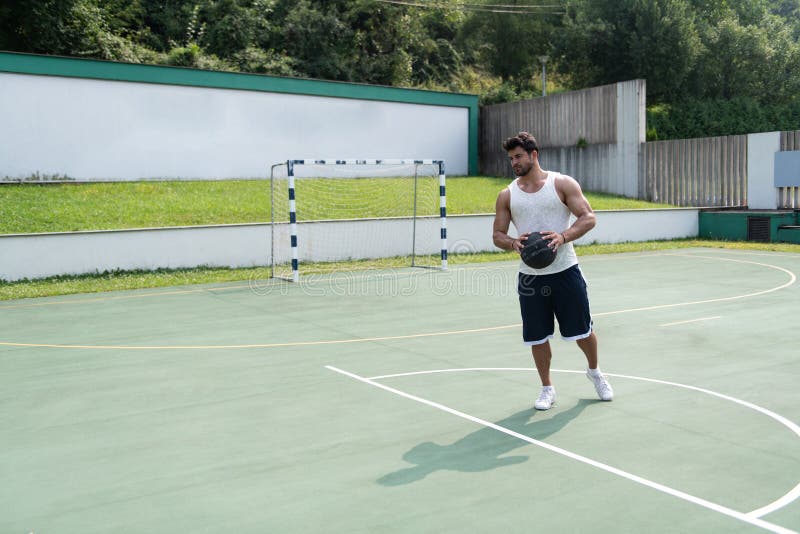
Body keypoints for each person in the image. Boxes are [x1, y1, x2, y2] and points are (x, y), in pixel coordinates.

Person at [492, 131, 613, 410]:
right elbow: (497, 235)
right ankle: (547, 388)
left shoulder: (561, 183)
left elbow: (588, 217)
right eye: (511, 158)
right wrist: (512, 242)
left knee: (582, 331)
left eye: (519, 156)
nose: (514, 162)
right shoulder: (507, 195)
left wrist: (563, 236)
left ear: (534, 155)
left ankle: (595, 372)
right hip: (531, 278)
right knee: (537, 336)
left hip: (566, 271)